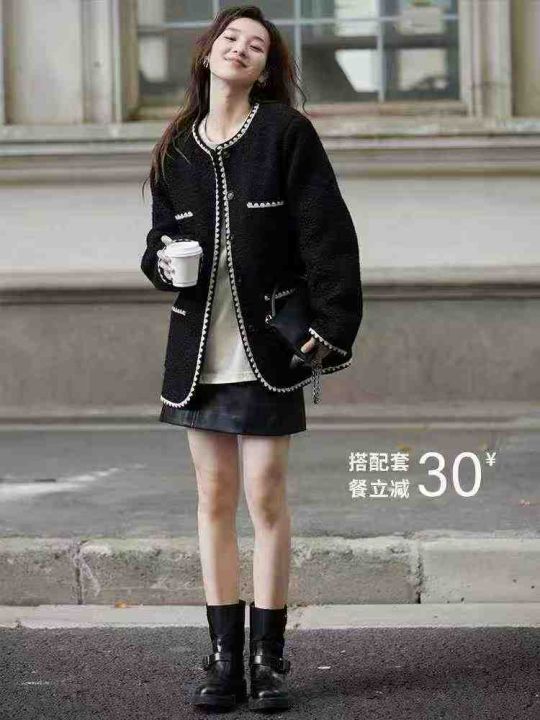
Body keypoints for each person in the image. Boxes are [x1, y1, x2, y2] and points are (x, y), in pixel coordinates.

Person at [140, 5, 362, 712]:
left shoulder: (285, 132)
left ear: (265, 69)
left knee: (264, 495)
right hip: (198, 351)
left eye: (256, 45)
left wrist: (333, 326)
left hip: (267, 346)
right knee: (212, 498)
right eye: (231, 38)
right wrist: (161, 264)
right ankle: (223, 660)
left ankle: (269, 659)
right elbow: (157, 241)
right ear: (207, 53)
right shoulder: (177, 146)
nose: (241, 48)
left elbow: (328, 233)